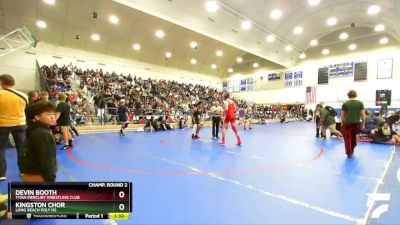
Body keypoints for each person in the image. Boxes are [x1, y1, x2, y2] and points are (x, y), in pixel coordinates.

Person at [20, 101, 57, 182]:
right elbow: (47, 160)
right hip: (39, 176)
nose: (52, 117)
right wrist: (51, 179)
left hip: (29, 173)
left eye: (53, 114)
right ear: (37, 116)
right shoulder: (43, 134)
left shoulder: (33, 129)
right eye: (48, 114)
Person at [0, 74, 28, 180]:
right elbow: (26, 108)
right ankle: (23, 171)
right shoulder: (23, 95)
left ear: (2, 83)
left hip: (2, 125)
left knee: (0, 149)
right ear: (14, 83)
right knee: (21, 148)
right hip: (20, 124)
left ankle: (1, 174)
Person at [341, 90, 366, 158]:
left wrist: (342, 123)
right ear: (355, 95)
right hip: (356, 124)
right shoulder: (360, 103)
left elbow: (342, 116)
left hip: (347, 124)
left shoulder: (345, 104)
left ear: (348, 95)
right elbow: (363, 115)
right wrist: (363, 124)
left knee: (347, 139)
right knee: (353, 138)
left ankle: (349, 153)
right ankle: (352, 150)